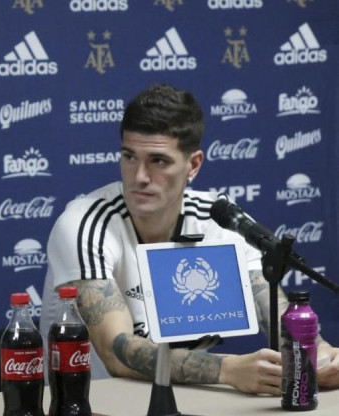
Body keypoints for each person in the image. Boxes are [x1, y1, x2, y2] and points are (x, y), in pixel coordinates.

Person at [39, 84, 339, 395]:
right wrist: (229, 370)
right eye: (129, 156)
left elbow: (275, 314)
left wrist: (322, 356)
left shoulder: (218, 221)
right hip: (100, 401)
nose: (139, 176)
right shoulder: (84, 223)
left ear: (193, 164)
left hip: (188, 399)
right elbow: (117, 355)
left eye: (158, 161)